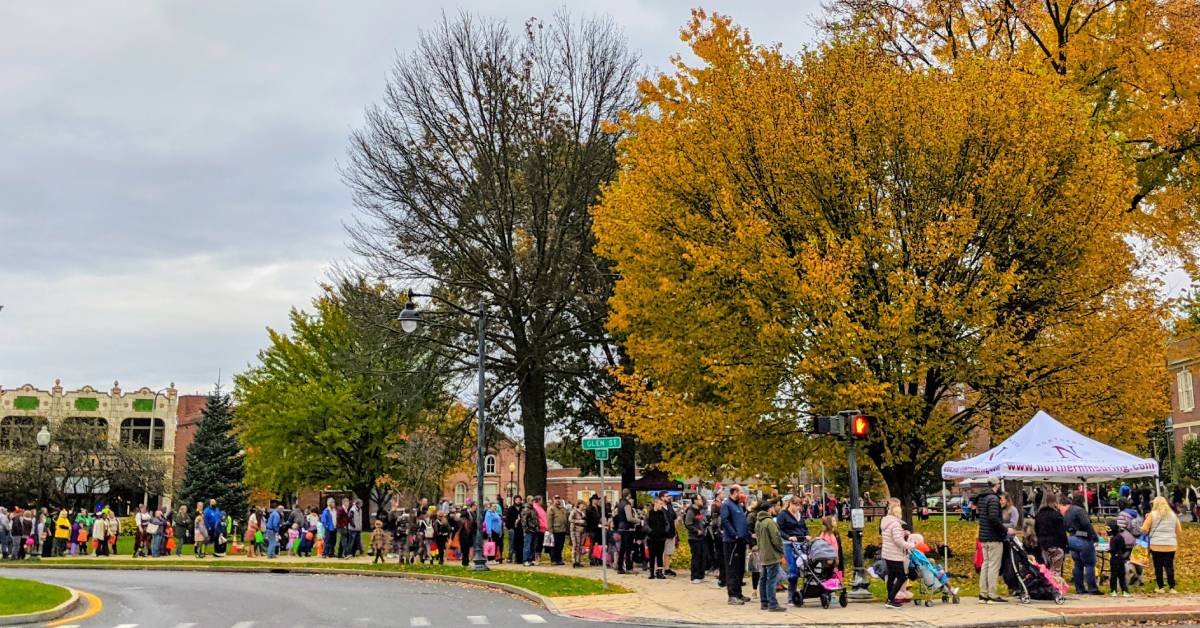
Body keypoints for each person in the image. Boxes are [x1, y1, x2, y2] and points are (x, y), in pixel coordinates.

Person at [1142, 495, 1182, 593]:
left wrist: (1146, 520)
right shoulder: (1173, 515)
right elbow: (1179, 531)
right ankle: (1172, 587)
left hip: (1156, 545)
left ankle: (1161, 587)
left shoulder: (1152, 515)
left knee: (1158, 567)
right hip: (1170, 545)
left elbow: (1144, 529)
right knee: (1169, 566)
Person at [881, 497, 915, 609]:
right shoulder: (895, 524)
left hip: (887, 553)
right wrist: (911, 545)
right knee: (902, 577)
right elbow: (898, 541)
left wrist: (902, 532)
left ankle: (889, 598)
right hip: (894, 554)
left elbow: (892, 536)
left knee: (891, 577)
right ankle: (890, 600)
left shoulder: (886, 522)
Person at [976, 480, 1007, 603]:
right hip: (993, 537)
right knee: (994, 566)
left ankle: (983, 593)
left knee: (986, 564)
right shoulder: (993, 499)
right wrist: (1005, 530)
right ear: (996, 485)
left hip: (983, 536)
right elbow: (993, 518)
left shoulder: (982, 497)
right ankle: (992, 593)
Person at [1064, 493, 1100, 595]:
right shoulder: (1080, 511)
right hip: (1083, 538)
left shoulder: (1068, 511)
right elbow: (1086, 524)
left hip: (1072, 537)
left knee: (1078, 564)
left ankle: (1079, 588)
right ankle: (1092, 588)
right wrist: (1093, 536)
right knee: (1089, 564)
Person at [721, 484, 750, 605]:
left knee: (740, 568)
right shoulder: (726, 505)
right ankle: (732, 595)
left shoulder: (738, 505)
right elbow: (725, 521)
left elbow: (742, 522)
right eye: (741, 492)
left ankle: (738, 593)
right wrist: (735, 534)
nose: (743, 495)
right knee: (732, 568)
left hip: (741, 541)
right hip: (731, 542)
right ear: (735, 492)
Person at [754, 500, 785, 612]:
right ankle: (773, 604)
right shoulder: (770, 522)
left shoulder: (758, 522)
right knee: (771, 580)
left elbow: (757, 538)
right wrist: (781, 550)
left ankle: (764, 602)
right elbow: (776, 539)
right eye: (772, 507)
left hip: (763, 554)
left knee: (763, 579)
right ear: (769, 509)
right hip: (772, 554)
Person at [776, 495, 807, 607]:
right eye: (796, 505)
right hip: (789, 544)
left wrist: (807, 535)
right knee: (792, 569)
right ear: (790, 504)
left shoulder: (799, 515)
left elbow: (804, 528)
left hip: (801, 542)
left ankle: (802, 593)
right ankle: (791, 596)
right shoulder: (783, 515)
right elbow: (779, 530)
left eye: (799, 506)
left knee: (804, 566)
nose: (798, 508)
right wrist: (788, 537)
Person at [1034, 492, 1067, 574]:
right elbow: (1061, 532)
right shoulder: (1056, 515)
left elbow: (1036, 530)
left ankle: (1047, 580)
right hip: (1055, 544)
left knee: (1046, 568)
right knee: (1056, 570)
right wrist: (1065, 544)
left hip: (1043, 544)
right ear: (1055, 501)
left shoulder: (1039, 515)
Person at [684, 495, 708, 583]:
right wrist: (696, 531)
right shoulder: (691, 511)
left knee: (702, 556)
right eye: (700, 499)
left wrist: (706, 524)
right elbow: (688, 524)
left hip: (702, 537)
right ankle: (694, 577)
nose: (702, 501)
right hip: (694, 538)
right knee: (696, 557)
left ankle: (701, 575)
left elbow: (701, 521)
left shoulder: (699, 511)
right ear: (695, 501)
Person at [646, 497, 671, 579]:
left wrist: (665, 531)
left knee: (660, 555)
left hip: (661, 538)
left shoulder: (662, 513)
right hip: (651, 538)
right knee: (652, 555)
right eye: (660, 504)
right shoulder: (649, 513)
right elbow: (645, 524)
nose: (661, 505)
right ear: (655, 503)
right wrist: (650, 531)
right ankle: (651, 572)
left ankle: (659, 572)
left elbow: (667, 523)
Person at [1106, 518, 1132, 597]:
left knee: (1114, 575)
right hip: (1121, 558)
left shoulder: (1113, 539)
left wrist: (1109, 551)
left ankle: (1113, 590)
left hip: (1114, 558)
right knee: (1122, 575)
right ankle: (1125, 591)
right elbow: (1123, 548)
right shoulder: (1120, 537)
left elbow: (1113, 549)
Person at [660, 491, 678, 577]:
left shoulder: (669, 506)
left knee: (668, 551)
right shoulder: (660, 507)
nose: (668, 497)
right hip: (663, 533)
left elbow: (674, 517)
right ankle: (660, 568)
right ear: (662, 497)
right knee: (661, 552)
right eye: (667, 496)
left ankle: (667, 568)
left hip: (671, 532)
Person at [548, 496, 569, 566]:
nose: (557, 500)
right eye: (556, 499)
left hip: (562, 530)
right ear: (553, 500)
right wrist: (550, 531)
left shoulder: (563, 509)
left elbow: (566, 518)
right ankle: (553, 560)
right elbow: (549, 520)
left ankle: (559, 559)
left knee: (560, 546)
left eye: (558, 499)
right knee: (554, 546)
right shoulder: (551, 508)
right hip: (555, 530)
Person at [520, 496, 539, 566]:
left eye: (533, 500)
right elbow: (523, 520)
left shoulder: (533, 509)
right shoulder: (526, 509)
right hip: (528, 530)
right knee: (527, 546)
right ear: (528, 500)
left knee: (533, 546)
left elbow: (536, 519)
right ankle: (525, 560)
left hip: (534, 530)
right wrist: (526, 529)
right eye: (531, 500)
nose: (533, 502)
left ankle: (531, 559)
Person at [506, 495, 524, 565]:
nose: (518, 501)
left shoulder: (522, 508)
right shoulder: (511, 508)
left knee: (520, 543)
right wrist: (510, 527)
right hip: (513, 528)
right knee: (512, 544)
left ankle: (520, 558)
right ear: (514, 501)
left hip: (520, 529)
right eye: (517, 500)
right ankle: (510, 557)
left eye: (519, 500)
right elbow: (508, 519)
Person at [569, 499, 588, 568]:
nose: (583, 506)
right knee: (576, 545)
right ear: (579, 505)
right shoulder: (574, 511)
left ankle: (578, 561)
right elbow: (570, 519)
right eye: (582, 505)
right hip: (575, 530)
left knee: (580, 546)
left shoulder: (583, 512)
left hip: (582, 530)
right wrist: (579, 521)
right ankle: (574, 561)